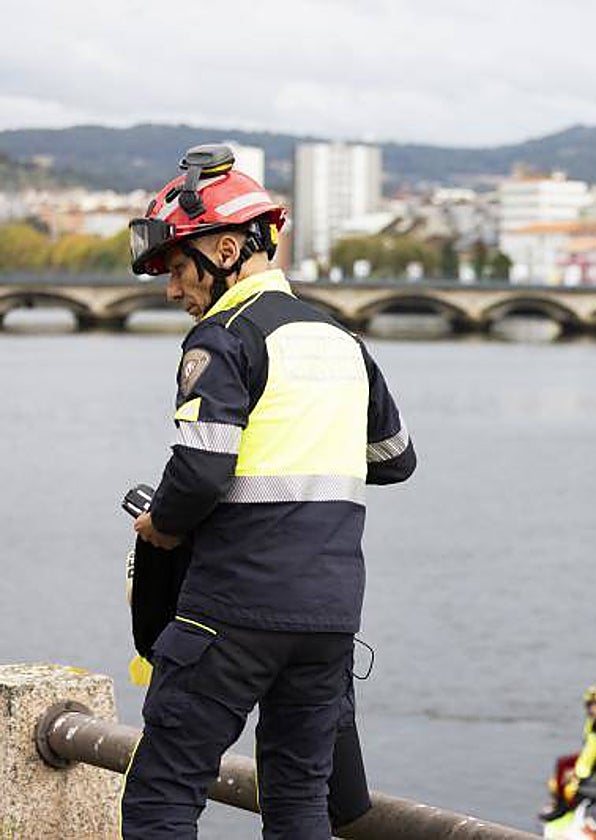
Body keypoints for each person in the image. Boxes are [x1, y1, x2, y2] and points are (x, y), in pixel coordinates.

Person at [121, 144, 416, 839]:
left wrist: (161, 526)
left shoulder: (224, 338)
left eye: (177, 267)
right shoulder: (342, 340)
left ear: (228, 248)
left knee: (163, 794)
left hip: (232, 611)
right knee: (299, 802)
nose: (171, 289)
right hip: (328, 620)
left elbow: (199, 472)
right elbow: (394, 459)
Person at [539, 686, 596, 822]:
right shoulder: (593, 723)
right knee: (562, 762)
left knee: (571, 777)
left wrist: (577, 772)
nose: (593, 710)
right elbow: (589, 750)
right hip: (590, 759)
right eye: (590, 706)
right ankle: (561, 803)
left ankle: (568, 805)